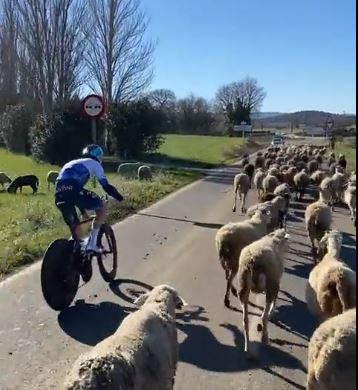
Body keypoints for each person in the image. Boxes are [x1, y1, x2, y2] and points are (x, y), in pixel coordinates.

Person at [55, 144, 123, 253]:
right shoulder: (95, 164)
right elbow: (105, 186)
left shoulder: (72, 163)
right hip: (74, 190)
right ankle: (92, 245)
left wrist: (82, 211)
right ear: (98, 156)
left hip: (59, 192)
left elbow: (70, 191)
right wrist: (119, 197)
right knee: (101, 207)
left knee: (75, 226)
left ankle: (75, 248)